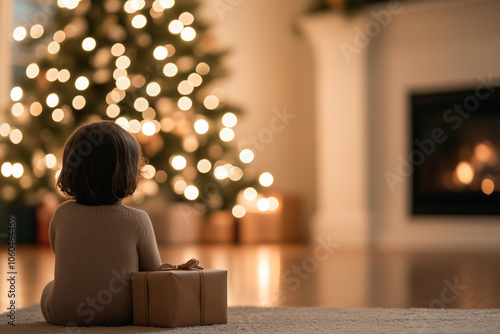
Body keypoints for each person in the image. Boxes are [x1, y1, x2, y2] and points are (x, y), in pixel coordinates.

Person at [41, 121, 162, 327]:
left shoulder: (62, 214)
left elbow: (60, 251)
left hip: (64, 313)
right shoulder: (138, 220)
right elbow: (154, 274)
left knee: (49, 288)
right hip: (125, 315)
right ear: (130, 173)